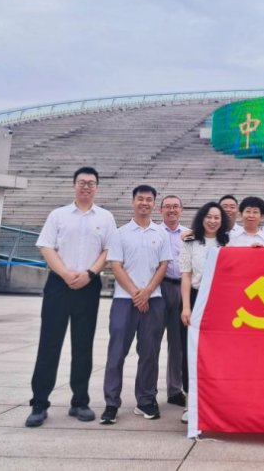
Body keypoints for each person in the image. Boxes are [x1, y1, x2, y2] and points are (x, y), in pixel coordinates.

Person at [26, 167, 116, 427]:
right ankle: (39, 403)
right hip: (58, 284)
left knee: (83, 346)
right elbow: (46, 247)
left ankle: (80, 402)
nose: (86, 186)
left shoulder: (105, 217)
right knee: (49, 344)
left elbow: (109, 250)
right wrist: (65, 274)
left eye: (91, 183)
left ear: (97, 187)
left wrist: (90, 274)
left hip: (89, 285)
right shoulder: (58, 215)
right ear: (74, 185)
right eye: (82, 182)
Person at [101, 185, 171, 424]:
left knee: (150, 353)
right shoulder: (120, 233)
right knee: (116, 353)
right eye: (140, 199)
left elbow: (163, 265)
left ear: (154, 204)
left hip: (154, 300)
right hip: (124, 301)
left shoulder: (160, 233)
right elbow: (115, 266)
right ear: (133, 202)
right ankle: (111, 403)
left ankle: (146, 400)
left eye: (149, 200)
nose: (144, 203)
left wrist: (147, 292)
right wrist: (136, 294)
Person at [180, 202, 230, 423]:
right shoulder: (190, 242)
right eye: (208, 217)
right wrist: (186, 306)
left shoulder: (229, 242)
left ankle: (215, 402)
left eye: (217, 217)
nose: (212, 221)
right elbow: (186, 275)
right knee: (190, 351)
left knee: (217, 352)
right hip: (195, 297)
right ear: (202, 218)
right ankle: (189, 403)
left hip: (220, 301)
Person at [157, 195, 189, 407]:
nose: (172, 210)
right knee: (151, 341)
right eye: (167, 207)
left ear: (181, 209)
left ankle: (175, 389)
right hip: (159, 287)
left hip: (181, 288)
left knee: (177, 343)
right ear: (160, 210)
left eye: (175, 206)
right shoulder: (154, 232)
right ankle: (147, 391)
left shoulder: (189, 234)